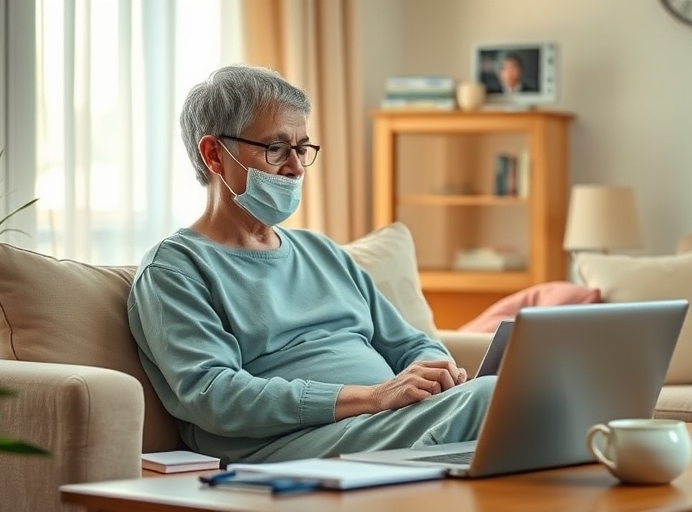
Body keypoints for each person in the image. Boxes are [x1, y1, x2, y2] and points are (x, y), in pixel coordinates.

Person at [126, 64, 496, 465]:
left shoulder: (323, 253)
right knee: (493, 399)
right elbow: (215, 396)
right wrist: (371, 397)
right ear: (215, 155)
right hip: (285, 445)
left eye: (302, 149)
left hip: (380, 422)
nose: (296, 168)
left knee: (519, 398)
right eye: (276, 148)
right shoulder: (174, 269)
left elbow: (408, 343)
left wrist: (434, 372)